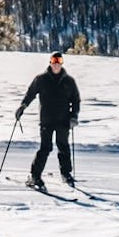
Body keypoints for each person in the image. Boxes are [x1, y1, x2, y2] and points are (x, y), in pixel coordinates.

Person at [15, 50, 81, 191]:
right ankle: (35, 176)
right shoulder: (41, 79)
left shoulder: (69, 81)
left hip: (63, 120)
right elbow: (30, 93)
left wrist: (74, 116)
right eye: (54, 61)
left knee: (63, 146)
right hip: (47, 120)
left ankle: (66, 173)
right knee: (46, 148)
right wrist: (23, 106)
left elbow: (75, 100)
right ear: (50, 62)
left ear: (62, 63)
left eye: (59, 62)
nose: (56, 64)